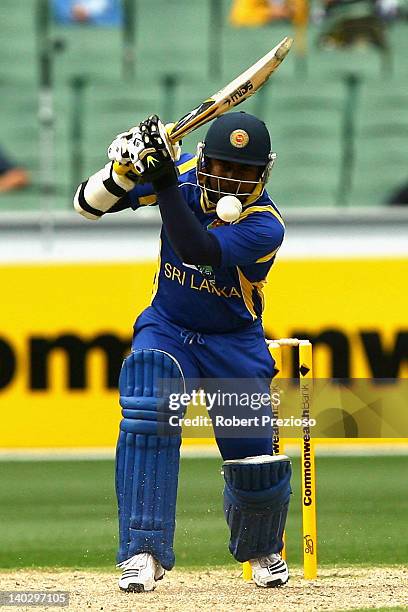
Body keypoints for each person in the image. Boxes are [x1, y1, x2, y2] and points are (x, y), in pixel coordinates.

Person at [73, 111, 292, 592]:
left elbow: (196, 250)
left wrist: (165, 181)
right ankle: (142, 551)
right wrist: (121, 169)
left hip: (233, 341)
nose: (229, 179)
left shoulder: (264, 225)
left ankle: (261, 548)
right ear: (204, 158)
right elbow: (87, 205)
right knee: (148, 401)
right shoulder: (185, 175)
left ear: (264, 173)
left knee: (252, 455)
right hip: (168, 326)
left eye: (244, 172)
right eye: (221, 166)